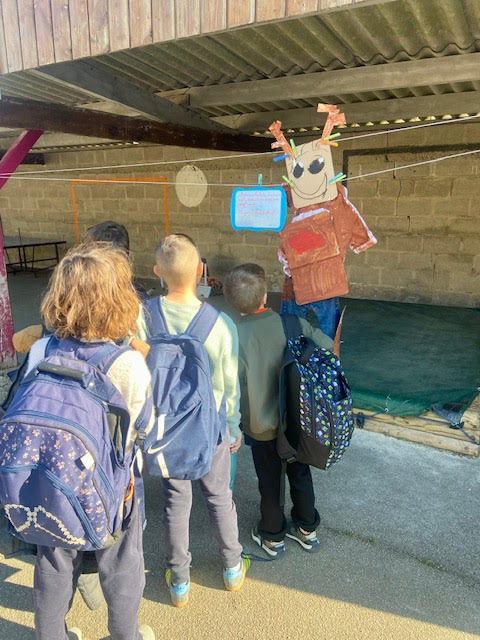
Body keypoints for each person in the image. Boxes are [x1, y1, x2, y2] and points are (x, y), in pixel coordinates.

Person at [33, 243, 155, 640]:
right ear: (122, 300)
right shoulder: (127, 363)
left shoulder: (41, 349)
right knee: (122, 568)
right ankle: (125, 635)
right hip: (112, 489)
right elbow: (142, 429)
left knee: (53, 568)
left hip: (52, 483)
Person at [137, 234, 247, 607]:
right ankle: (232, 566)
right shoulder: (220, 324)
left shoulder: (144, 316)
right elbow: (229, 385)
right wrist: (233, 427)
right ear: (201, 270)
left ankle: (179, 581)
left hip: (166, 426)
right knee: (219, 497)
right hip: (210, 428)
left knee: (175, 502)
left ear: (157, 271)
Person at [223, 263, 333, 558]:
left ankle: (272, 537)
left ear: (231, 303)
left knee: (269, 481)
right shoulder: (292, 324)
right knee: (300, 471)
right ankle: (307, 529)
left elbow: (230, 385)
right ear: (265, 296)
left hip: (260, 427)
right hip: (299, 421)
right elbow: (326, 347)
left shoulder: (233, 335)